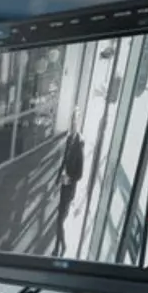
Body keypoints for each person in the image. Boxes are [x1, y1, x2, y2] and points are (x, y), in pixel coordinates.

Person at [53, 109, 85, 258]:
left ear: (78, 123)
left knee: (60, 220)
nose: (73, 124)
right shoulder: (69, 139)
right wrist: (57, 179)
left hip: (70, 187)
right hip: (64, 185)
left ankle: (61, 247)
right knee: (59, 218)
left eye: (75, 121)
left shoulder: (80, 143)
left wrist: (69, 179)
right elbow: (64, 162)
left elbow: (80, 173)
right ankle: (59, 246)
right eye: (72, 121)